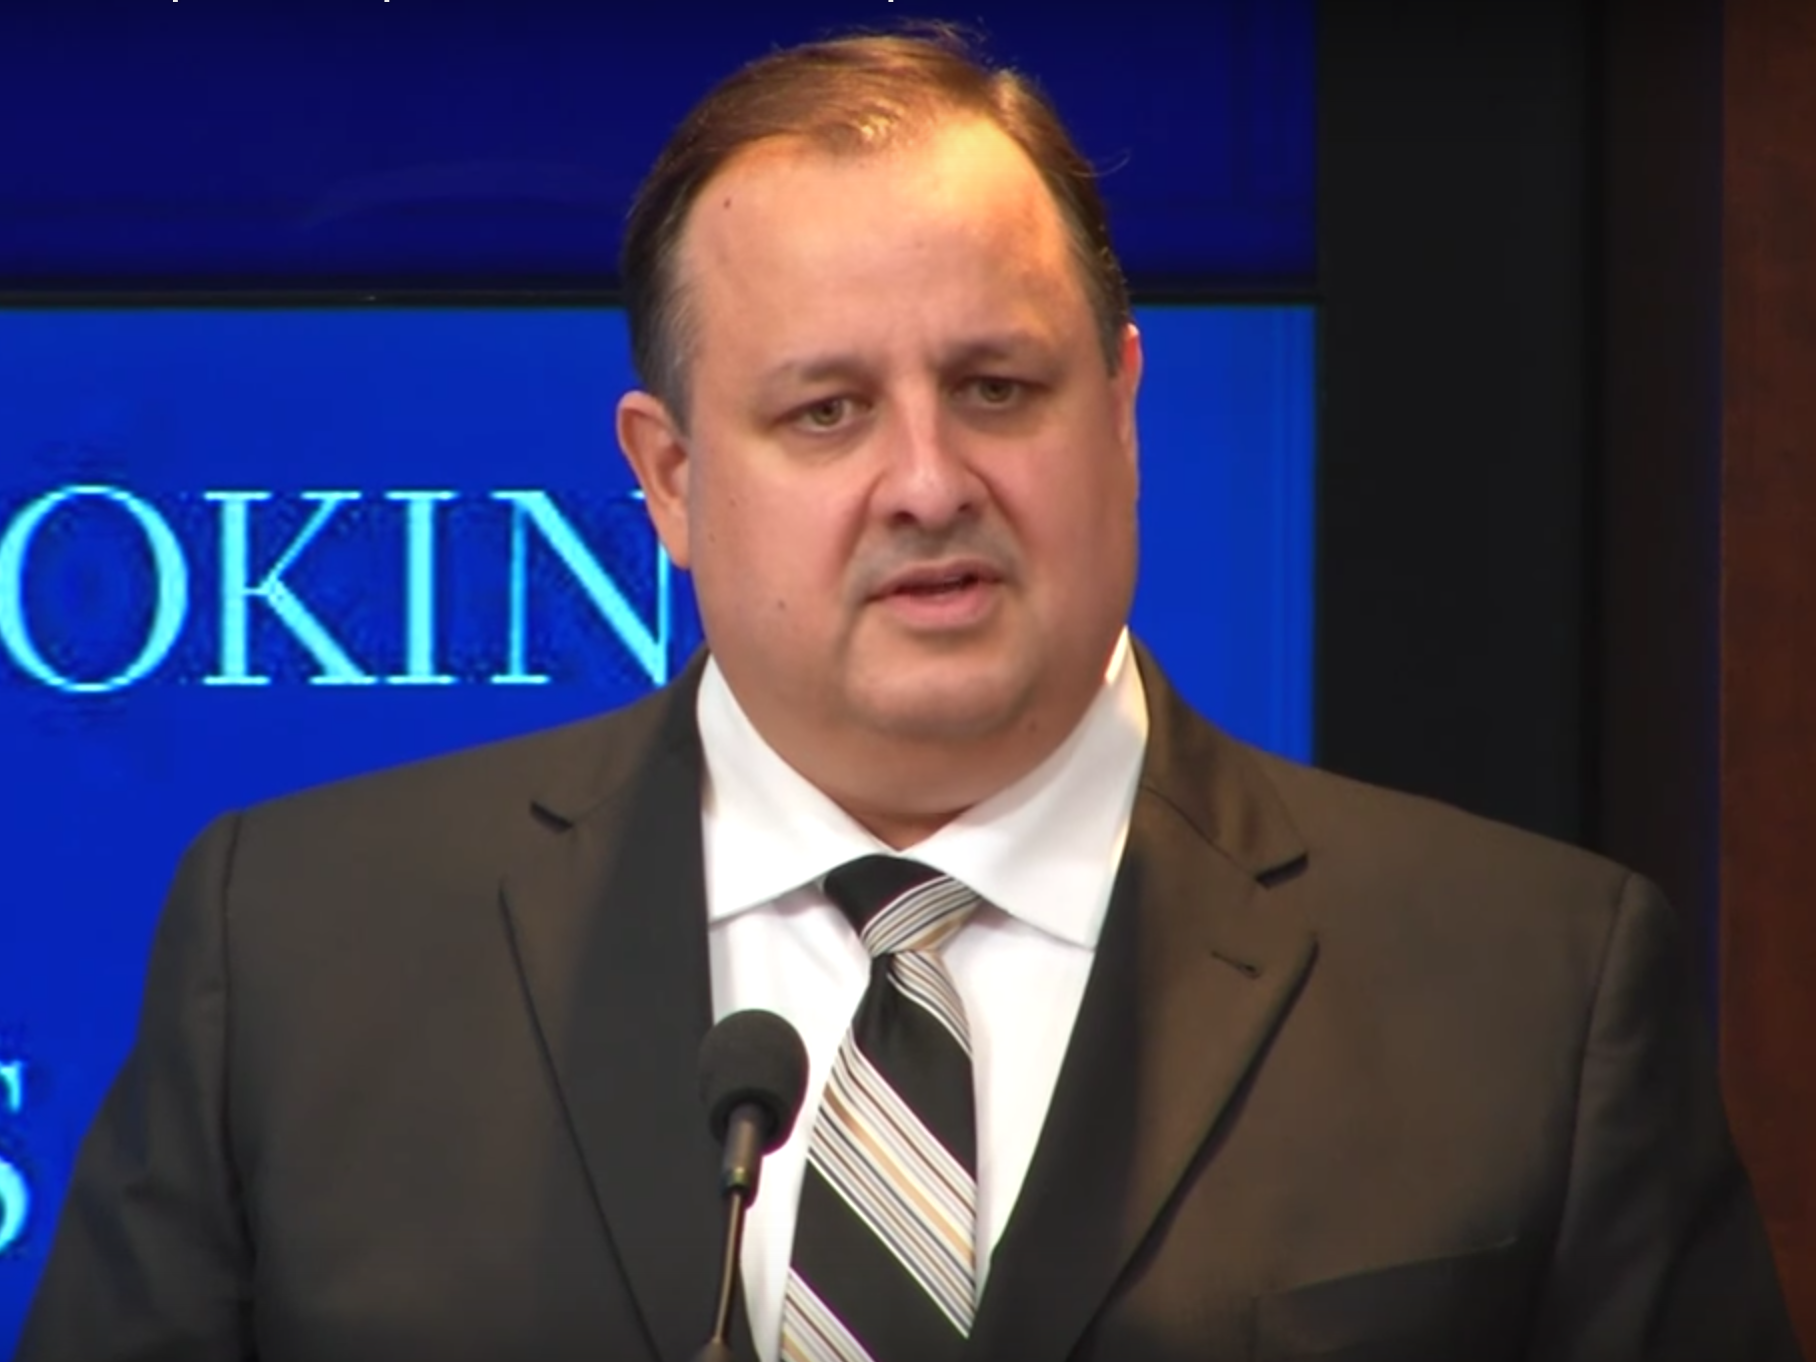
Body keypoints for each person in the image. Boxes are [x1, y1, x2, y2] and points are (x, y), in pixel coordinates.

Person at [18, 27, 1802, 1362]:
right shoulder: (305, 949)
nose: (930, 479)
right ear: (666, 481)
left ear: (1122, 404)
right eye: (826, 411)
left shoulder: (1536, 990)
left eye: (1000, 387)